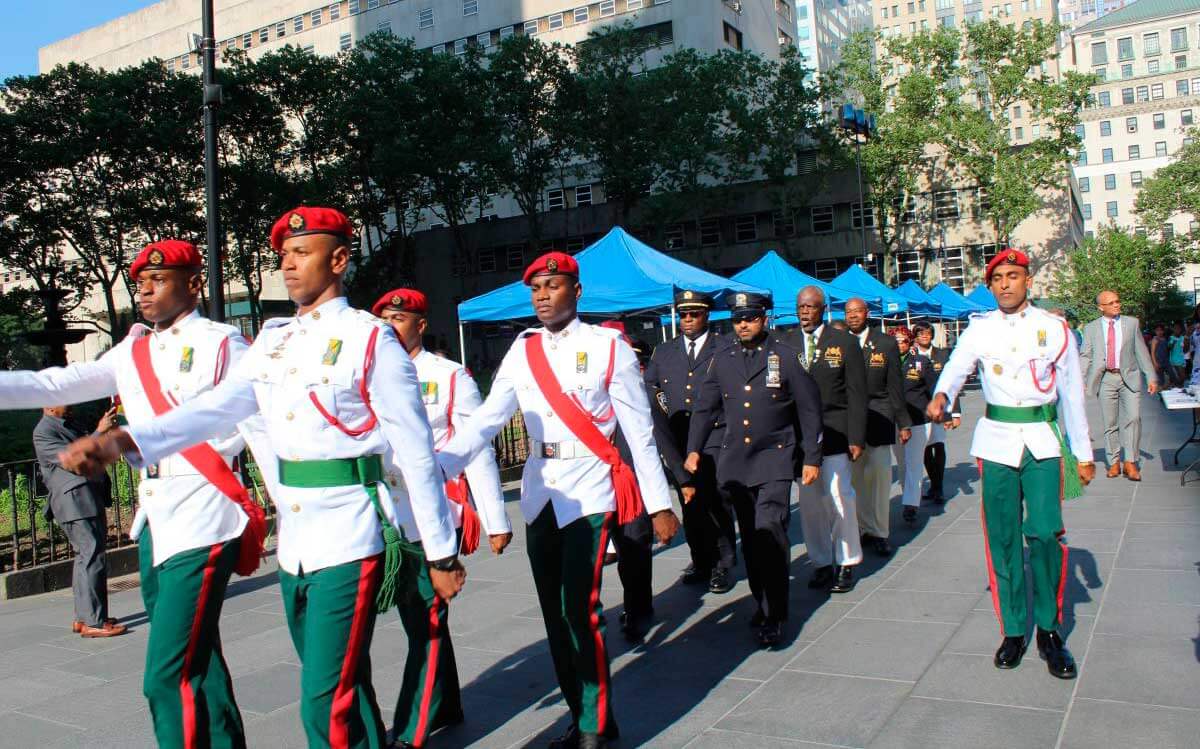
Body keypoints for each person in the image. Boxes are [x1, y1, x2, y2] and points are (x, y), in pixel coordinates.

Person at [58, 208, 466, 749]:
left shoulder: (371, 338)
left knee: (324, 703)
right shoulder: (274, 340)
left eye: (302, 254)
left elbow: (416, 452)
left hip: (351, 533)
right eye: (284, 256)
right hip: (296, 541)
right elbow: (214, 409)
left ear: (339, 260)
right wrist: (120, 442)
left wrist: (439, 553)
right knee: (341, 685)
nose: (289, 265)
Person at [1, 240, 265, 746]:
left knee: (165, 674)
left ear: (193, 284)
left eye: (158, 279)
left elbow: (255, 423)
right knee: (196, 652)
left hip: (205, 509)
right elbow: (55, 384)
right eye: (139, 281)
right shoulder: (134, 349)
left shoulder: (223, 343)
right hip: (156, 517)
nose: (143, 289)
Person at [436, 251, 681, 749]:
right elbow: (486, 421)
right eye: (536, 289)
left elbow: (639, 431)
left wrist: (659, 504)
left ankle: (592, 725)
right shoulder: (522, 350)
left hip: (590, 489)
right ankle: (585, 713)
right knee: (555, 614)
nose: (543, 296)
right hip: (540, 493)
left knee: (580, 609)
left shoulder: (608, 346)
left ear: (577, 291)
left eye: (553, 286)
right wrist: (440, 464)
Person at [928, 248, 1095, 680]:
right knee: (1002, 539)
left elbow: (1072, 393)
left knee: (1043, 533)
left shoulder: (1053, 328)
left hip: (1042, 442)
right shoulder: (979, 330)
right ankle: (1014, 631)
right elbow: (956, 367)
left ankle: (1049, 631)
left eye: (1013, 276)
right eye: (998, 278)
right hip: (998, 443)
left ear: (1028, 281)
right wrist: (942, 394)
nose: (1005, 284)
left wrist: (1084, 452)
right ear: (990, 286)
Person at [372, 287, 513, 749]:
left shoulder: (449, 376)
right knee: (419, 617)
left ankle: (412, 728)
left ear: (420, 324)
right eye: (386, 318)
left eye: (402, 318)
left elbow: (476, 449)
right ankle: (447, 701)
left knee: (426, 616)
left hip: (435, 511)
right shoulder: (368, 375)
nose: (393, 326)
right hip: (386, 510)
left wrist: (495, 518)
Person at [684, 291, 823, 647]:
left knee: (770, 530)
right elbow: (705, 407)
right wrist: (694, 450)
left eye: (750, 318)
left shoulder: (786, 355)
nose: (743, 324)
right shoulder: (723, 357)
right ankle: (761, 602)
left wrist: (811, 458)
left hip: (776, 457)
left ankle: (776, 614)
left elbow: (809, 409)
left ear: (763, 318)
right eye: (737, 319)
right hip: (738, 464)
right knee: (752, 539)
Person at [644, 290, 736, 594]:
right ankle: (701, 560)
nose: (687, 320)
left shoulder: (724, 346)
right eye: (683, 314)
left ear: (706, 314)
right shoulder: (664, 352)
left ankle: (723, 561)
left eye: (694, 314)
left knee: (717, 497)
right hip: (680, 437)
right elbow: (652, 389)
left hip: (716, 434)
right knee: (691, 501)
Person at [787, 286, 867, 594]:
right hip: (800, 440)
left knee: (839, 497)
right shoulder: (787, 342)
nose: (805, 312)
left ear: (823, 309)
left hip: (835, 433)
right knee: (810, 505)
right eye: (801, 307)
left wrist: (856, 436)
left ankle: (846, 560)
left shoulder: (844, 341)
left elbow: (857, 393)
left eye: (811, 307)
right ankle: (821, 562)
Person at [32, 404, 125, 638]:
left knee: (86, 556)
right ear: (50, 406)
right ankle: (94, 621)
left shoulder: (69, 424)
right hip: (74, 501)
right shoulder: (43, 431)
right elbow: (73, 457)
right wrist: (98, 432)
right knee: (92, 555)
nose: (71, 403)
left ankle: (85, 617)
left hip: (84, 498)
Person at [844, 297, 911, 557]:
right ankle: (863, 527)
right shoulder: (838, 342)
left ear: (867, 313)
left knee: (881, 477)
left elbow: (894, 385)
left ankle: (881, 532)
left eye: (857, 311)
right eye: (848, 312)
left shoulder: (885, 343)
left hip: (879, 416)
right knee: (856, 480)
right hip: (850, 421)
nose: (852, 316)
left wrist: (903, 422)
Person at [1078, 290, 1157, 481]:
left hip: (1129, 377)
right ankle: (1113, 462)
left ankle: (1130, 462)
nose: (1116, 305)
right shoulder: (1091, 328)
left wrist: (1151, 377)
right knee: (1110, 423)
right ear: (1101, 308)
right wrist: (1080, 380)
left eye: (1117, 301)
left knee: (1134, 418)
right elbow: (1086, 355)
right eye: (1111, 303)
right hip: (1105, 379)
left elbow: (1141, 351)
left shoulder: (1131, 323)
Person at [890, 327, 937, 527]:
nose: (900, 344)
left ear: (910, 343)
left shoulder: (921, 363)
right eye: (896, 341)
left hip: (917, 421)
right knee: (902, 463)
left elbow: (935, 388)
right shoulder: (885, 363)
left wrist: (947, 413)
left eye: (903, 341)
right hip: (893, 422)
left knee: (914, 463)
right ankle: (907, 493)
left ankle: (911, 505)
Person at [912, 321, 959, 503]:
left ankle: (938, 487)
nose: (924, 337)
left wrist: (954, 413)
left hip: (939, 409)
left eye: (927, 333)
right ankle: (933, 483)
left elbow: (952, 384)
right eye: (920, 334)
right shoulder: (911, 355)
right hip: (919, 410)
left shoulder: (941, 354)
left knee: (938, 446)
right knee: (924, 449)